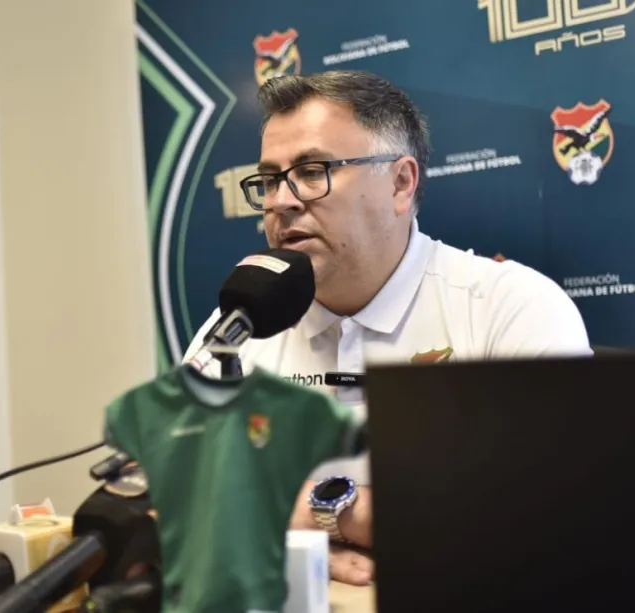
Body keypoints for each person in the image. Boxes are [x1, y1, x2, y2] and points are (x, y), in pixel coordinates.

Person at [181, 70, 592, 586]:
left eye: (311, 171)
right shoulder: (239, 328)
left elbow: (551, 527)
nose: (281, 202)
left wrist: (316, 512)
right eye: (268, 180)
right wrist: (296, 550)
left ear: (401, 183)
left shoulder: (512, 308)